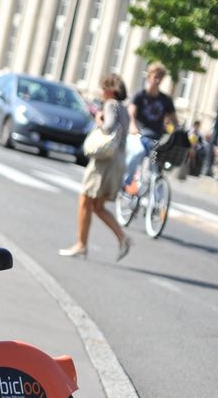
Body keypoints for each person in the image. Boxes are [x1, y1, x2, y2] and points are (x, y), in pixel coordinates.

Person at [58, 74, 131, 261]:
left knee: (85, 200)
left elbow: (108, 127)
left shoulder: (111, 105)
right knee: (97, 206)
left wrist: (99, 119)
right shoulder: (124, 108)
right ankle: (122, 238)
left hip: (105, 161)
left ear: (110, 90)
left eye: (103, 88)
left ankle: (81, 245)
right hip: (118, 160)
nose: (101, 92)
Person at [122, 63, 177, 192]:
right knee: (138, 152)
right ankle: (126, 182)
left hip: (155, 139)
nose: (157, 80)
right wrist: (132, 125)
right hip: (139, 135)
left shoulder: (165, 100)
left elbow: (175, 121)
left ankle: (158, 202)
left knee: (156, 168)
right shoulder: (140, 95)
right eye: (155, 77)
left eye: (160, 78)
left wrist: (178, 133)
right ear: (149, 77)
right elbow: (131, 113)